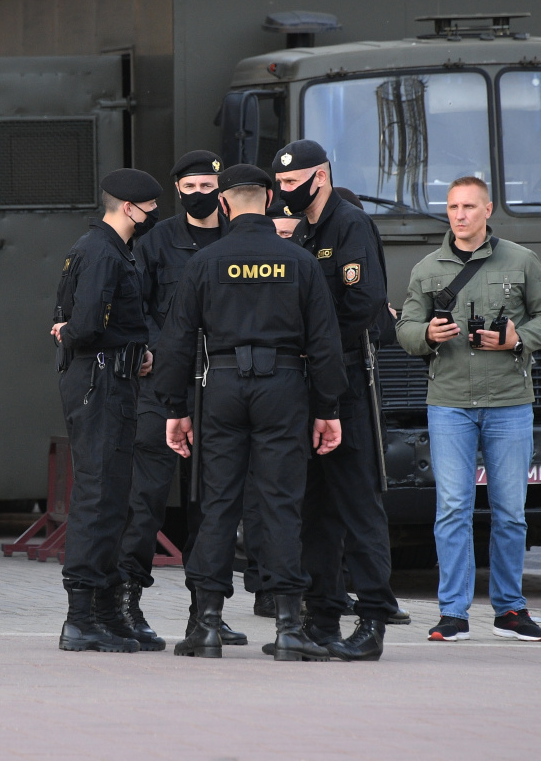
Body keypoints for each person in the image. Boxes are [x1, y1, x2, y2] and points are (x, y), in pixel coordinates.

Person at [154, 163, 347, 661]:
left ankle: (206, 625)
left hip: (221, 386)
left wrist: (175, 407)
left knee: (218, 501)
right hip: (284, 386)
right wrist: (327, 406)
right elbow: (324, 341)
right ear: (268, 199)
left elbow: (176, 340)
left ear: (223, 203)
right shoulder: (299, 260)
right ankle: (288, 627)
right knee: (281, 500)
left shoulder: (206, 261)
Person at [396, 176, 541, 642]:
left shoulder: (521, 260)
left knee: (510, 511)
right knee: (453, 508)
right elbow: (405, 329)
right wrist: (426, 334)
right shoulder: (427, 268)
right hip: (449, 404)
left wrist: (517, 339)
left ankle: (510, 610)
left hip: (509, 403)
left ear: (488, 210)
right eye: (453, 207)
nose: (460, 215)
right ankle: (453, 613)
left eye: (469, 206)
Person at [113, 150, 248, 651]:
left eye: (206, 187)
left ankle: (205, 611)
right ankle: (127, 604)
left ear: (221, 189)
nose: (198, 195)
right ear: (176, 190)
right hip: (163, 386)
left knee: (212, 504)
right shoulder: (156, 240)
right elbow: (136, 304)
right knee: (145, 499)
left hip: (220, 385)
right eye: (188, 188)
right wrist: (154, 350)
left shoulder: (239, 239)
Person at [274, 139, 399, 661]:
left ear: (320, 175)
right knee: (316, 508)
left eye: (291, 182)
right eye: (280, 183)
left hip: (345, 379)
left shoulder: (349, 225)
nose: (284, 192)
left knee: (357, 502)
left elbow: (364, 302)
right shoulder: (305, 230)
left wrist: (319, 349)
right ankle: (322, 617)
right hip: (310, 383)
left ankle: (372, 620)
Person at [50, 168, 159, 654]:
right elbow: (87, 323)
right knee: (98, 496)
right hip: (101, 381)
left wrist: (139, 351)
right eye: (150, 207)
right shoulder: (103, 252)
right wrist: (70, 334)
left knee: (113, 496)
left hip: (110, 377)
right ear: (129, 208)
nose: (155, 214)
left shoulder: (105, 249)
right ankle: (80, 617)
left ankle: (106, 611)